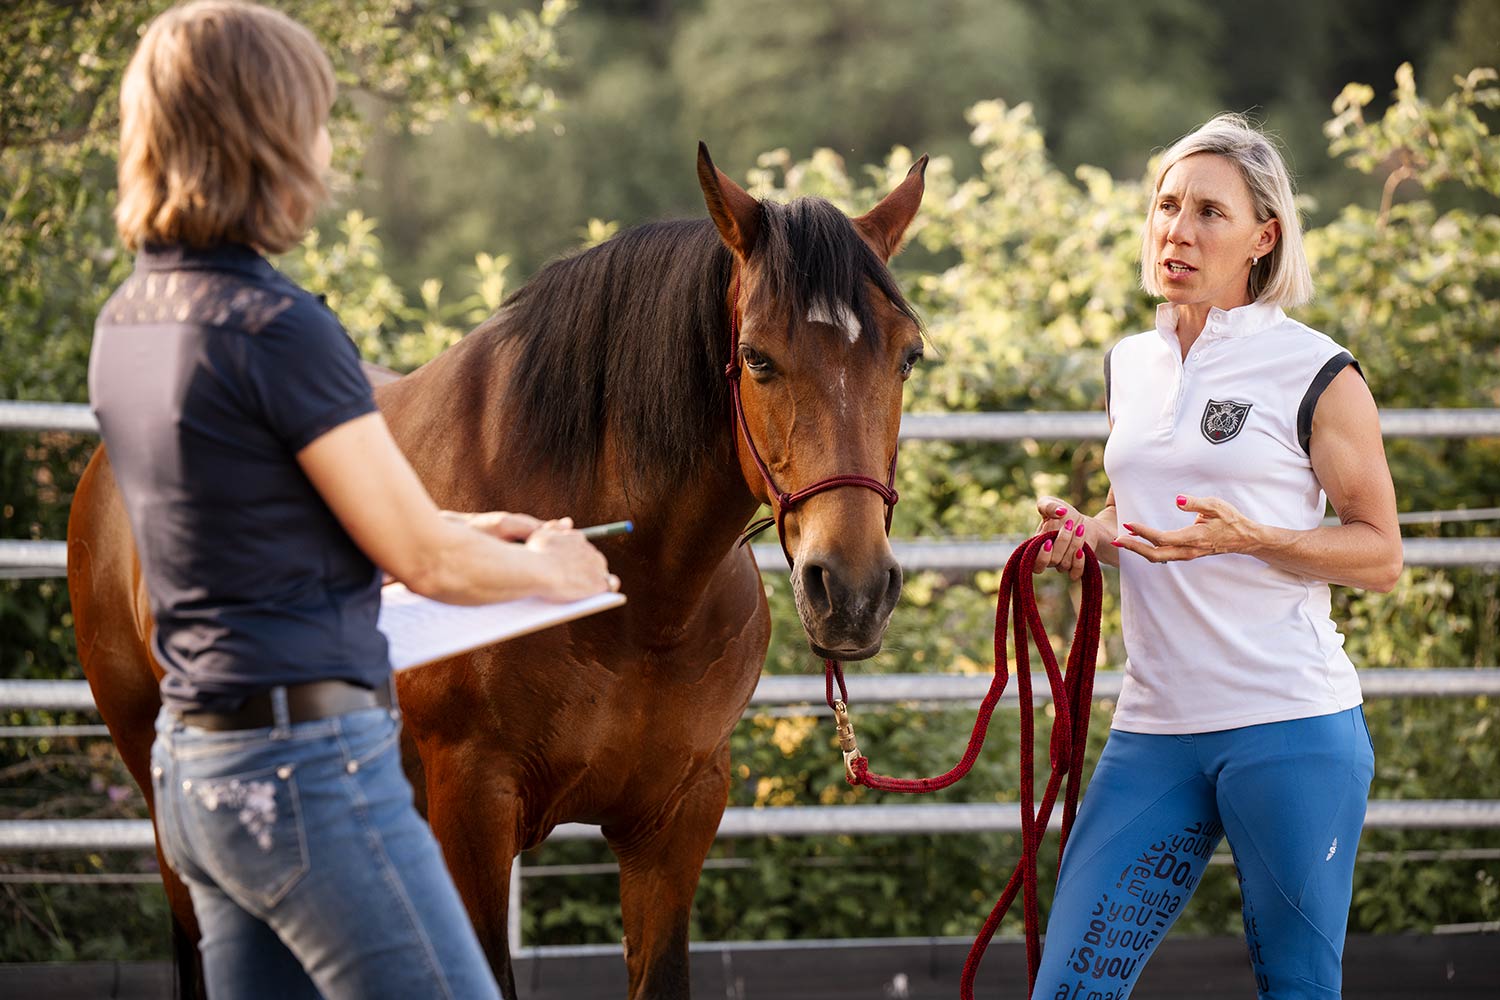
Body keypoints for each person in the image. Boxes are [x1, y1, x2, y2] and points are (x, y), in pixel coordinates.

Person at [89, 3, 617, 996]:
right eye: (317, 120)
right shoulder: (279, 327)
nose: (325, 149)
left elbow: (288, 522)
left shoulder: (133, 320)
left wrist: (467, 524)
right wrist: (550, 566)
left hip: (198, 771)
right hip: (309, 776)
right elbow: (427, 565)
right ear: (268, 134)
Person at [1030, 114, 1401, 999]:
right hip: (1155, 727)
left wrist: (1258, 538)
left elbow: (1381, 554)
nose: (1178, 231)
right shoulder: (1132, 363)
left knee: (1298, 989)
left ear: (1262, 237)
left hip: (1290, 725)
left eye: (1209, 213)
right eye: (1166, 206)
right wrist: (1092, 533)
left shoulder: (1317, 370)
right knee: (1068, 988)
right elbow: (1150, 520)